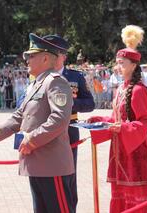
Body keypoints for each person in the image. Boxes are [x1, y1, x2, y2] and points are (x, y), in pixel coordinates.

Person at [0, 33, 75, 213]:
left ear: (46, 58)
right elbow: (18, 117)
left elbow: (60, 119)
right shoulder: (35, 85)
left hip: (52, 165)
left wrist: (31, 140)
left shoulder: (55, 82)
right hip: (38, 164)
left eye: (31, 56)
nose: (26, 60)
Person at [87, 25, 147, 213]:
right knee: (119, 194)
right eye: (117, 62)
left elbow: (145, 121)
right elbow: (117, 118)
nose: (118, 67)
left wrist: (123, 129)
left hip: (135, 151)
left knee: (136, 199)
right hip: (120, 151)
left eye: (122, 63)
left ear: (134, 65)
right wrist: (99, 120)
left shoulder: (137, 90)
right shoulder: (120, 89)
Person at [41, 34, 95, 212]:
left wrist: (69, 103)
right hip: (43, 132)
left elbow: (89, 104)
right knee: (44, 177)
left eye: (52, 52)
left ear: (62, 55)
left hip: (69, 130)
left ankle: (69, 208)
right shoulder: (39, 77)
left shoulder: (75, 77)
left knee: (68, 176)